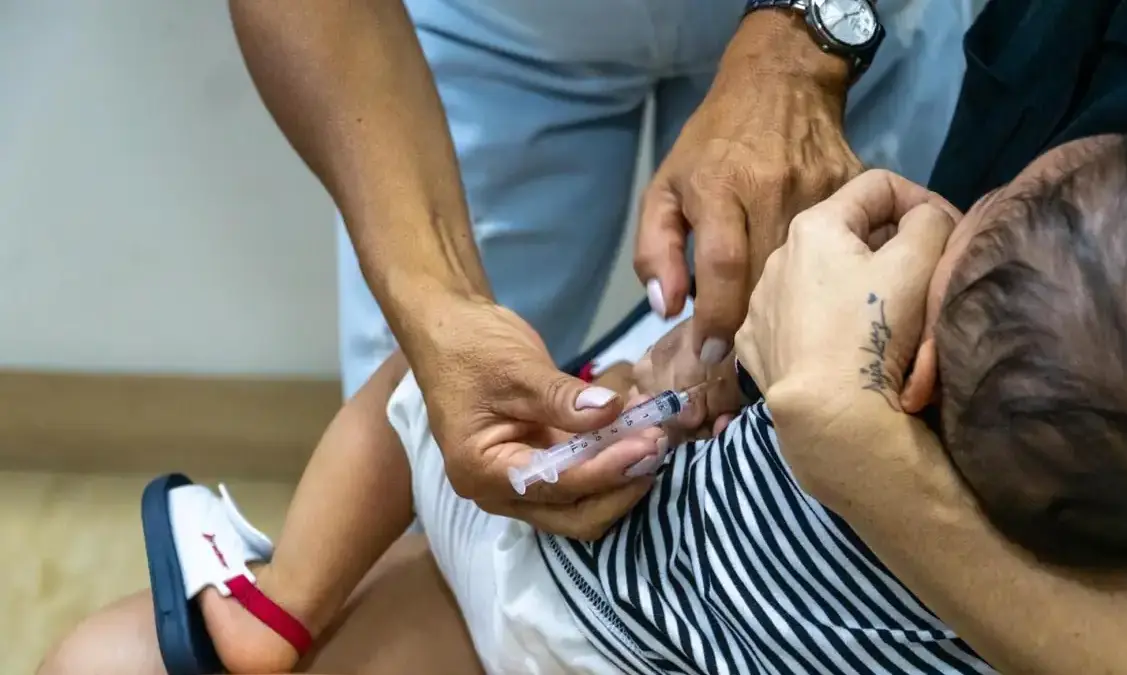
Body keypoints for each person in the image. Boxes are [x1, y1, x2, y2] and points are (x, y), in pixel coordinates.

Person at [232, 0, 973, 537]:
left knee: (851, 479)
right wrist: (434, 305)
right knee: (423, 432)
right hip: (499, 22)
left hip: (856, 29)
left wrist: (809, 33)